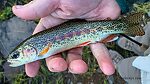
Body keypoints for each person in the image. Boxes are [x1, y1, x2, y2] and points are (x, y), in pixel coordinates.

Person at [12, 0, 121, 77]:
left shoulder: (41, 52)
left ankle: (127, 30)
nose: (14, 59)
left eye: (16, 55)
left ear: (28, 49)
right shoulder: (37, 48)